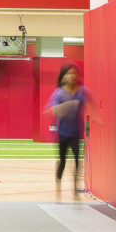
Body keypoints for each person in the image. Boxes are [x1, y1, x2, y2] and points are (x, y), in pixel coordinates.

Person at [46, 63, 91, 193]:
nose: (73, 76)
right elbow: (51, 111)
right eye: (70, 73)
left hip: (76, 133)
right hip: (63, 133)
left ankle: (76, 189)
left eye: (75, 73)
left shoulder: (81, 92)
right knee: (63, 161)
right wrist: (67, 105)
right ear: (64, 77)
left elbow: (91, 103)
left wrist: (96, 119)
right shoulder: (59, 93)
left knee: (78, 161)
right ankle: (58, 186)